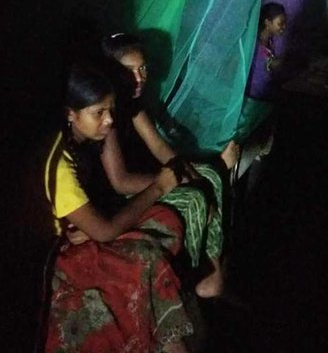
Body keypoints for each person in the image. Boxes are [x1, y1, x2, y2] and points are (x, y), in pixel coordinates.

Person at [44, 65, 193, 353]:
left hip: (85, 233)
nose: (109, 120)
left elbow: (111, 195)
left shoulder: (84, 142)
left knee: (165, 219)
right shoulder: (60, 163)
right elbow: (103, 231)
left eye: (110, 110)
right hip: (63, 255)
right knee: (143, 257)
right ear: (71, 113)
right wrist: (158, 188)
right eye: (98, 112)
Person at [100, 33, 240, 299]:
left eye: (142, 68)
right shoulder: (106, 113)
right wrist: (174, 181)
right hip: (119, 196)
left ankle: (212, 266)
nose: (139, 77)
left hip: (143, 180)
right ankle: (184, 277)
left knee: (209, 175)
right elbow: (119, 181)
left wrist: (192, 175)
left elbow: (162, 149)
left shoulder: (132, 104)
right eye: (130, 71)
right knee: (194, 197)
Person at [246, 2, 287, 100]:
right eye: (280, 24)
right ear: (267, 22)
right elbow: (271, 63)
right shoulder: (255, 44)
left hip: (265, 92)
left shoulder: (269, 41)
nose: (284, 27)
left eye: (285, 23)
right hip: (254, 96)